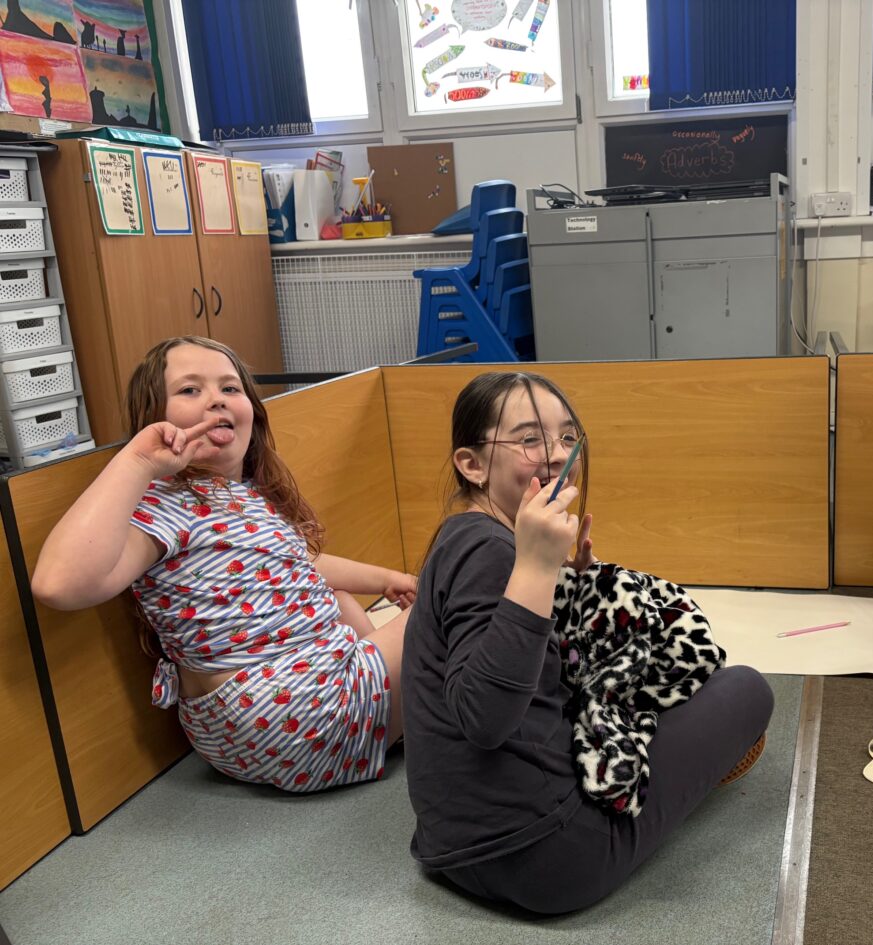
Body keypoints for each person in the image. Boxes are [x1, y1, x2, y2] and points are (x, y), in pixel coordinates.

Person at [404, 371, 774, 914]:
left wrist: (563, 582)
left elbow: (519, 662)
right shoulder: (489, 551)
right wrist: (535, 567)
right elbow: (483, 717)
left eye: (566, 436)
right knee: (745, 688)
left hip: (452, 849)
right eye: (529, 439)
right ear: (472, 464)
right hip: (551, 854)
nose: (557, 455)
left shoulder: (464, 536)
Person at [31, 336, 415, 791]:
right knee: (455, 595)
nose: (216, 399)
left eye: (230, 388)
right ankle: (406, 703)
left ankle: (397, 705)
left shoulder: (239, 498)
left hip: (236, 733)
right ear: (154, 418)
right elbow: (57, 584)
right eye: (190, 390)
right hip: (295, 711)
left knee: (336, 597)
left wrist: (389, 579)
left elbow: (300, 564)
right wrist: (137, 461)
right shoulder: (164, 502)